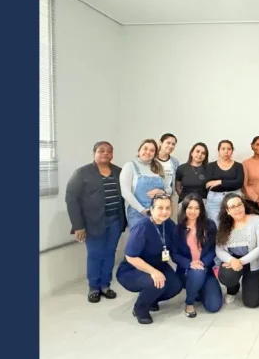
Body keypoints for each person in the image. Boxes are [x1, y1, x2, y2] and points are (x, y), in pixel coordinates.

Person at [65, 141, 127, 303]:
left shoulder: (119, 172)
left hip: (115, 220)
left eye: (109, 151)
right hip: (92, 222)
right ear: (94, 153)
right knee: (95, 254)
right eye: (101, 150)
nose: (105, 153)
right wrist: (78, 226)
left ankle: (105, 285)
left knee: (110, 253)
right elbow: (71, 200)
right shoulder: (82, 173)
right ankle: (93, 287)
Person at [115, 195, 182, 325]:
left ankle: (151, 299)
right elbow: (131, 256)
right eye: (160, 208)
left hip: (159, 265)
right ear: (151, 209)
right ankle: (140, 309)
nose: (164, 211)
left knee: (176, 285)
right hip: (132, 269)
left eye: (168, 208)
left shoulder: (169, 224)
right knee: (156, 282)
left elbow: (173, 249)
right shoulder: (142, 227)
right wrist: (153, 272)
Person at [171, 193, 221, 318]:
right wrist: (190, 264)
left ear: (201, 210)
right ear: (185, 209)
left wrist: (202, 263)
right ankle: (189, 303)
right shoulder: (178, 229)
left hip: (206, 268)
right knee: (197, 273)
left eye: (197, 208)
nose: (193, 211)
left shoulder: (209, 225)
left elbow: (213, 249)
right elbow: (174, 254)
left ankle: (198, 289)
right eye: (190, 208)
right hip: (186, 271)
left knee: (214, 306)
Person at [215, 193, 259, 308]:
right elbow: (219, 250)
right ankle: (232, 289)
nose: (237, 209)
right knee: (227, 276)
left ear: (244, 205)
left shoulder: (257, 220)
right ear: (227, 211)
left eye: (239, 205)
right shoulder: (223, 225)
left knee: (252, 303)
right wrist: (232, 260)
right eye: (233, 207)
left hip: (253, 263)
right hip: (233, 263)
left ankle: (256, 282)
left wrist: (240, 262)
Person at [120, 139, 172, 227]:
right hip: (137, 213)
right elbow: (126, 193)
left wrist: (163, 192)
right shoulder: (129, 166)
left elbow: (169, 189)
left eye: (152, 150)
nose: (148, 152)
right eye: (145, 148)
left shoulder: (159, 167)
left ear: (155, 154)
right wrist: (143, 211)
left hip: (159, 213)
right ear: (139, 150)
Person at [205, 140, 244, 226]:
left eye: (229, 149)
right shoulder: (210, 166)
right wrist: (231, 183)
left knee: (234, 225)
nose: (226, 151)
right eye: (223, 149)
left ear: (232, 151)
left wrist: (220, 182)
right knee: (215, 226)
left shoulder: (238, 166)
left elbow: (239, 183)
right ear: (218, 150)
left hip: (234, 197)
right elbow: (208, 184)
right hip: (214, 199)